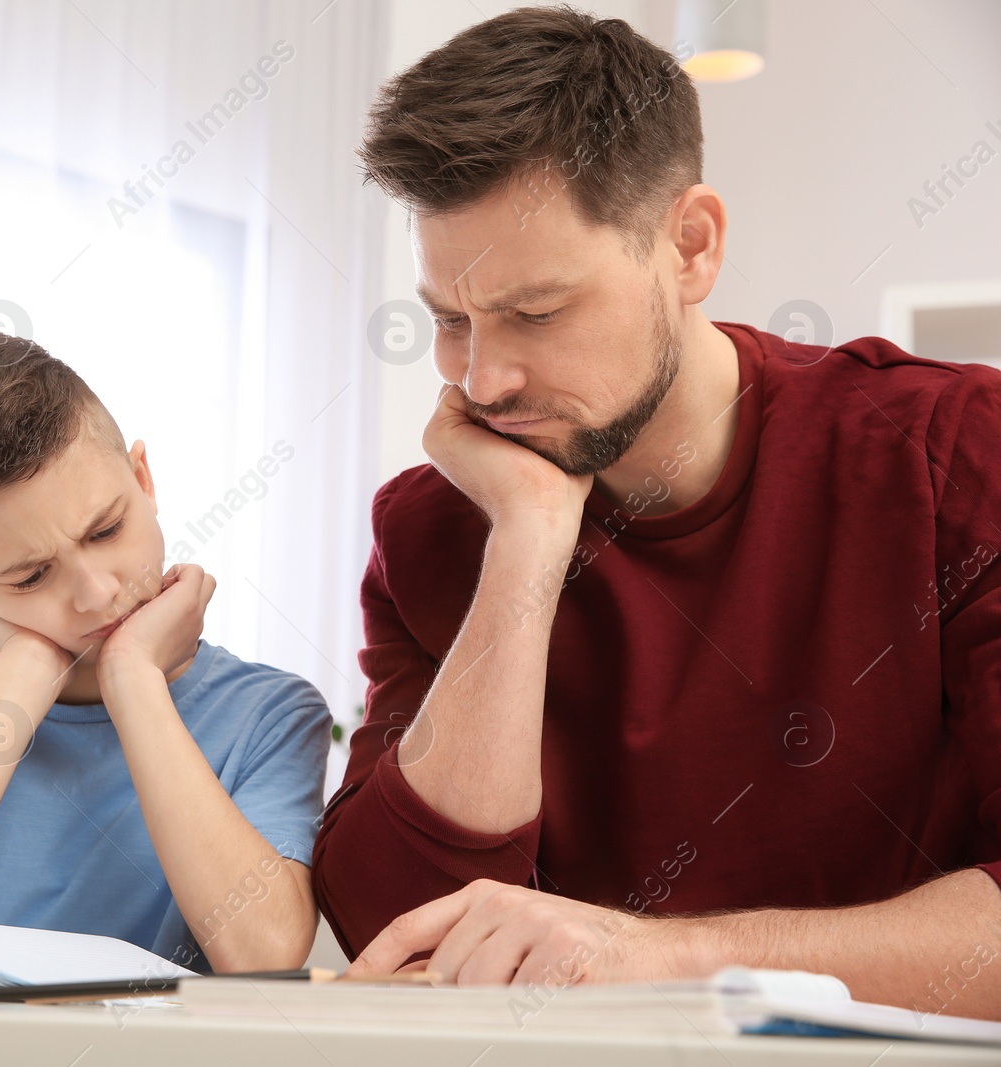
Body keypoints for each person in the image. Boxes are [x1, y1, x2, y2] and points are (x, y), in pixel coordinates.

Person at [312, 5, 1001, 1017]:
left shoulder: (953, 449)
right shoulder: (442, 523)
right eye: (449, 319)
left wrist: (659, 954)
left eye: (537, 312)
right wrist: (529, 540)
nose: (483, 377)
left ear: (688, 246)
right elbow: (397, 928)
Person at [0, 332, 330, 974]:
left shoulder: (270, 712)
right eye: (31, 577)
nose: (98, 594)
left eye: (107, 530)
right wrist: (20, 673)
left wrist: (133, 680)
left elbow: (261, 953)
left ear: (143, 480)